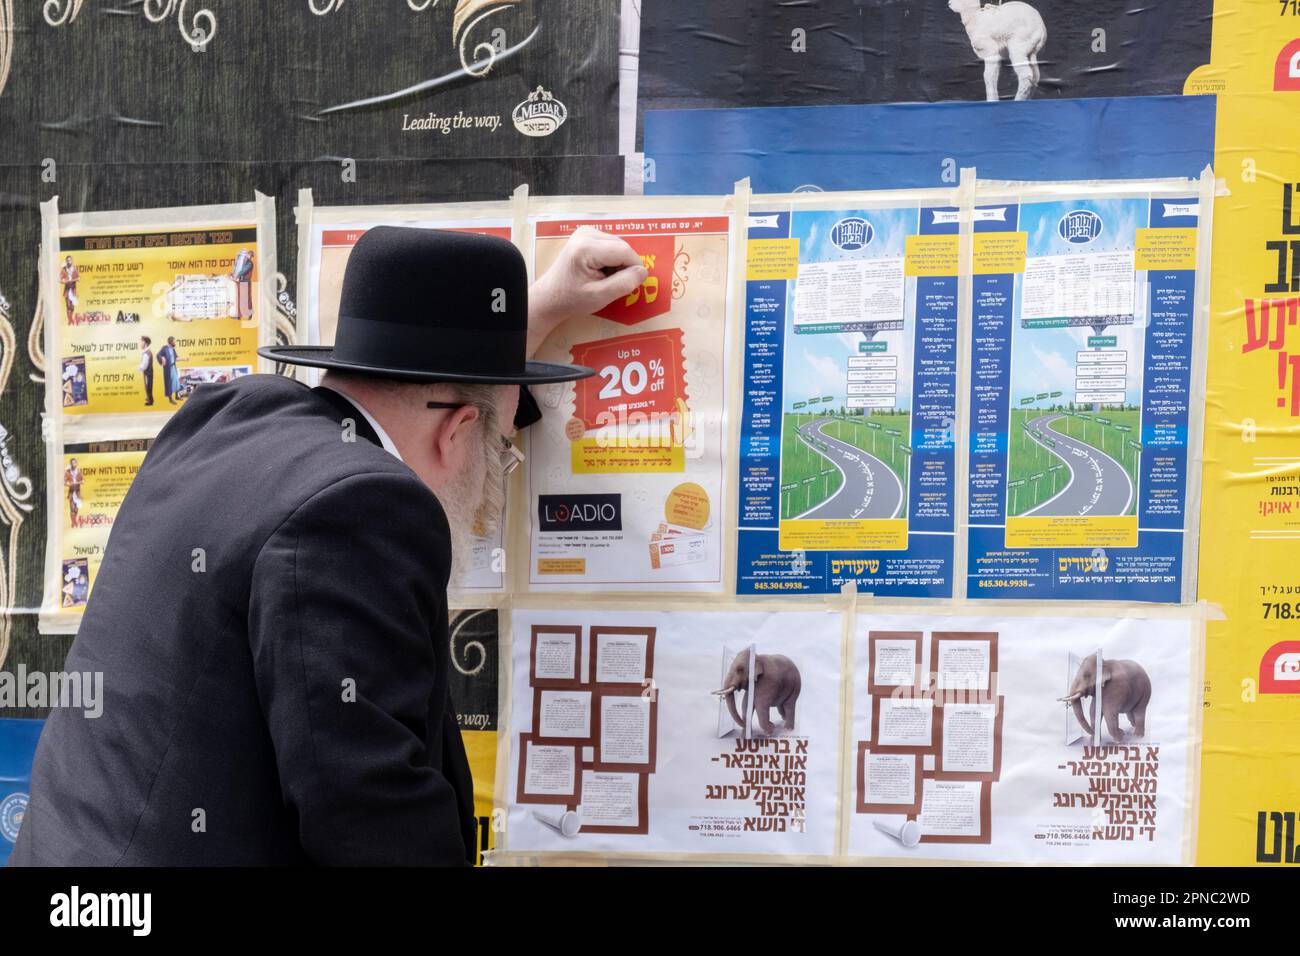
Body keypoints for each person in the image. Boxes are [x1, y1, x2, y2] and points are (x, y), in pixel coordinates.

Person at [10, 225, 645, 866]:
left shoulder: (225, 415)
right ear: (458, 432)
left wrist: (526, 317)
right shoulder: (364, 510)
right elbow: (371, 812)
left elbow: (443, 389)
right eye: (499, 450)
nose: (491, 475)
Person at [157, 336, 183, 404]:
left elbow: (176, 358)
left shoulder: (173, 349)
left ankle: (177, 396)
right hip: (168, 369)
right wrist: (162, 358)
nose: (175, 343)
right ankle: (170, 399)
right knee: (169, 383)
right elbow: (158, 355)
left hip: (173, 367)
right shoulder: (164, 348)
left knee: (176, 381)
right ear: (171, 342)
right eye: (174, 341)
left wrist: (184, 359)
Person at [139, 335, 154, 406]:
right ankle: (149, 398)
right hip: (148, 372)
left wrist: (140, 368)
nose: (140, 343)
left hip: (148, 372)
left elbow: (144, 364)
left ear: (146, 343)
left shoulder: (147, 353)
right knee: (148, 385)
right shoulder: (147, 352)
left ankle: (150, 400)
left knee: (148, 386)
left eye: (141, 341)